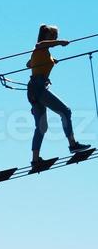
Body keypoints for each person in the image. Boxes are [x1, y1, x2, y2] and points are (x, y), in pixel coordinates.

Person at [28, 25, 94, 166]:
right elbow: (38, 44)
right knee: (65, 111)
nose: (55, 39)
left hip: (33, 90)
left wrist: (50, 60)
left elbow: (29, 64)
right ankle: (73, 144)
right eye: (53, 36)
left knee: (41, 127)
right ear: (46, 36)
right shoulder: (40, 47)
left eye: (56, 37)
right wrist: (59, 43)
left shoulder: (41, 52)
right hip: (38, 88)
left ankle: (35, 160)